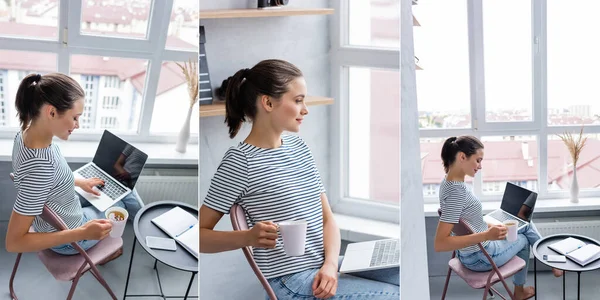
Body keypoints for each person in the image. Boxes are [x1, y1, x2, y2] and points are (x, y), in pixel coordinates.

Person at [199, 59, 399, 299]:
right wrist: (248, 237)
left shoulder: (298, 147)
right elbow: (200, 236)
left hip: (327, 267)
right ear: (268, 102)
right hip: (291, 282)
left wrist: (330, 265)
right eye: (298, 100)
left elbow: (328, 220)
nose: (305, 109)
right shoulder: (240, 161)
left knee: (409, 269)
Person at [6, 73, 143, 258]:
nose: (77, 125)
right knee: (122, 203)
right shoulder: (40, 170)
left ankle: (142, 225)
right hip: (70, 239)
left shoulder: (26, 135)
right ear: (52, 112)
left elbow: (51, 176)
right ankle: (142, 231)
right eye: (75, 117)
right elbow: (14, 242)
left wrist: (79, 182)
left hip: (64, 208)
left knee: (118, 190)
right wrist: (83, 233)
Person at [433, 135, 562, 300]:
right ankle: (525, 287)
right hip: (480, 258)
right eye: (478, 160)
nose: (480, 166)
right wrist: (486, 235)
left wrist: (486, 224)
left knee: (520, 224)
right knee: (524, 232)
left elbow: (463, 220)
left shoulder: (448, 183)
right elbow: (440, 243)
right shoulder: (456, 193)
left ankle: (550, 263)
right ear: (462, 157)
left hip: (468, 253)